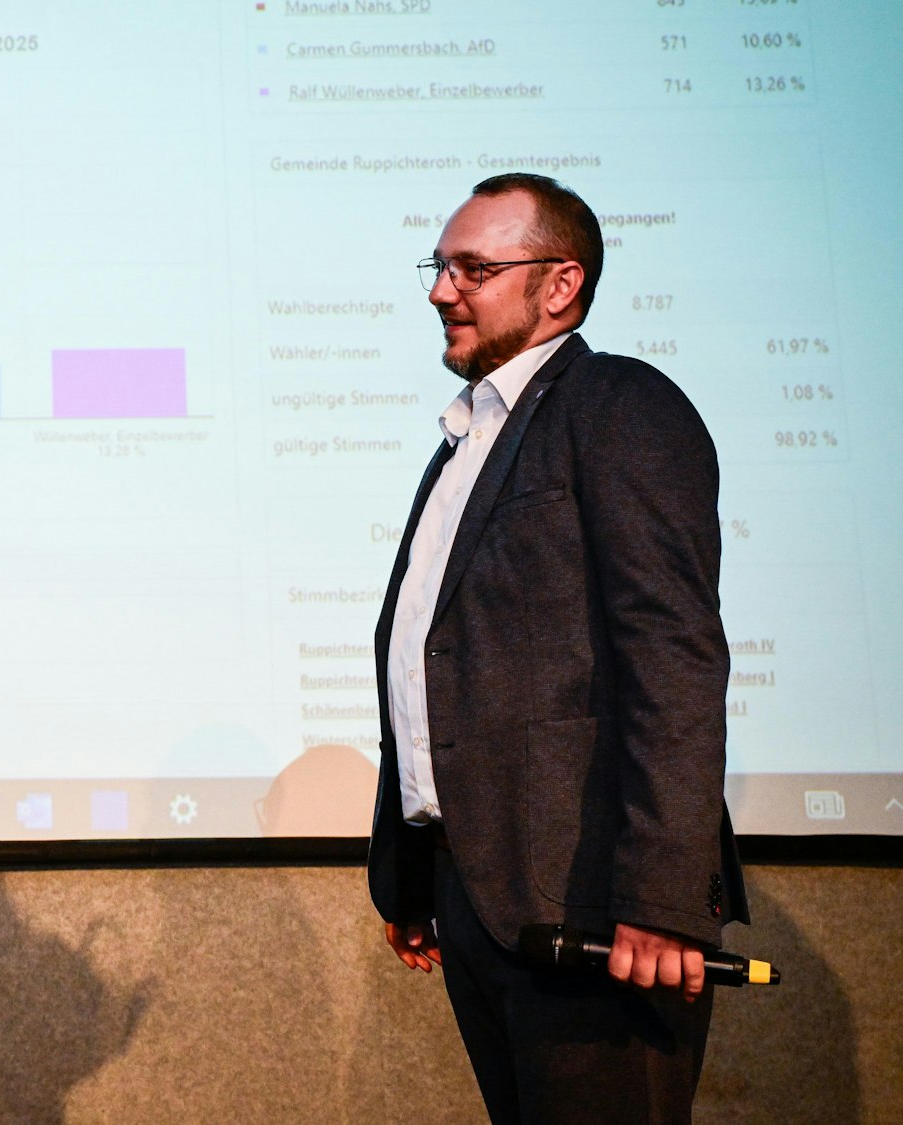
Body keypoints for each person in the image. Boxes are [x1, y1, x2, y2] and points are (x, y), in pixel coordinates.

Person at [367, 174, 749, 1122]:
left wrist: (660, 897)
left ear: (560, 284)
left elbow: (673, 653)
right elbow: (439, 659)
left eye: (473, 268)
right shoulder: (464, 443)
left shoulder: (619, 404)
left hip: (595, 905)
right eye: (439, 266)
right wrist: (415, 872)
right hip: (480, 900)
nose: (441, 290)